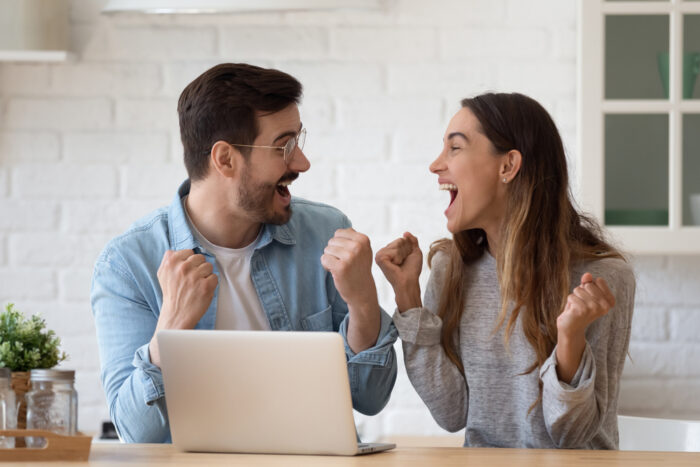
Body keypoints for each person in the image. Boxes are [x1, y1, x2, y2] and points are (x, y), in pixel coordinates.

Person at [91, 63, 398, 443]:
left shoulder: (324, 233)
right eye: (284, 146)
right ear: (225, 159)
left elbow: (370, 397)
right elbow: (139, 434)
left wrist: (364, 302)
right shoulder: (128, 265)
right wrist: (171, 326)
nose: (302, 162)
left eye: (298, 141)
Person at [375, 92, 635, 449]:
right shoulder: (450, 269)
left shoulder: (602, 278)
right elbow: (452, 412)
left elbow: (573, 437)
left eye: (455, 148)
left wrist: (570, 339)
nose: (436, 165)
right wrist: (408, 299)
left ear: (508, 166)